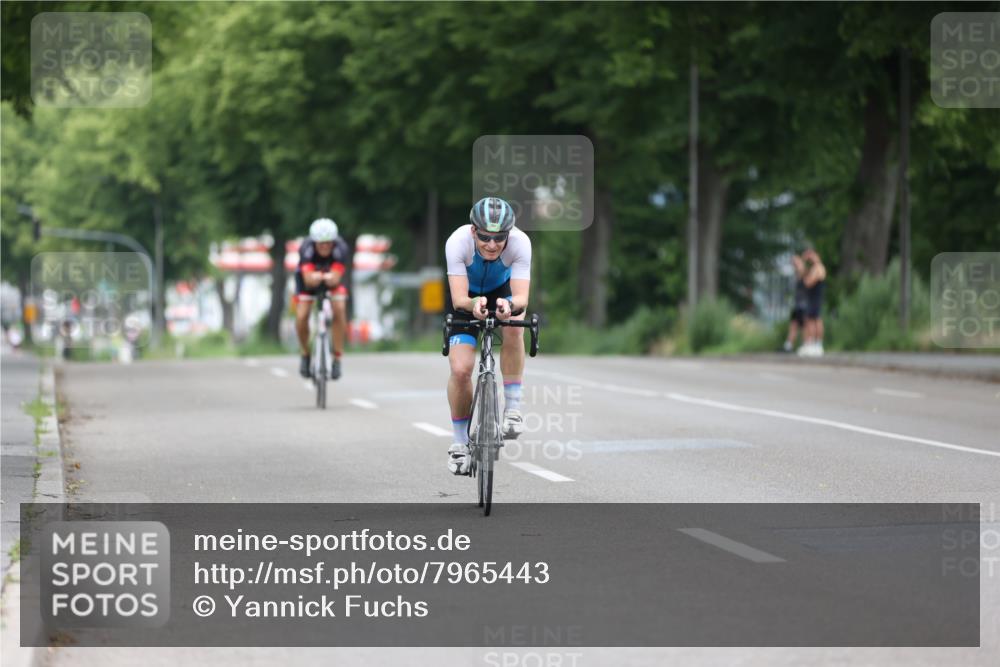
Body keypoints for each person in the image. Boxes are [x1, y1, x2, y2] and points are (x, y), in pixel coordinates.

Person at [444, 196, 532, 475]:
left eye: (499, 238)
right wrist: (473, 305)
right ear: (473, 231)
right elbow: (459, 298)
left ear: (509, 234)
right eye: (484, 237)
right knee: (460, 370)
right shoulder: (457, 242)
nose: (492, 245)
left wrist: (510, 305)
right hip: (467, 299)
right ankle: (459, 443)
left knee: (514, 326)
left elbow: (521, 296)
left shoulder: (520, 243)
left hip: (503, 294)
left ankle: (513, 408)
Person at [294, 218, 350, 379]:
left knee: (339, 308)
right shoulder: (306, 249)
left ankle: (337, 357)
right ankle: (305, 353)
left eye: (328, 243)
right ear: (314, 242)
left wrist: (329, 277)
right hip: (307, 283)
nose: (325, 246)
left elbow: (336, 279)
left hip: (331, 281)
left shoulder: (341, 249)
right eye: (320, 243)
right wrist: (315, 277)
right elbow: (307, 279)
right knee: (302, 315)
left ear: (333, 241)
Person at [797, 248, 826, 357]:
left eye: (810, 256)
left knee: (815, 319)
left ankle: (817, 344)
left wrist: (805, 276)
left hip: (816, 297)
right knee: (810, 320)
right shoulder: (813, 268)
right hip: (811, 297)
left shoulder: (818, 267)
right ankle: (811, 343)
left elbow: (808, 282)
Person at [783, 254, 808, 352]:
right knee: (793, 325)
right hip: (797, 304)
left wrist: (800, 261)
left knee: (804, 326)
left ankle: (806, 344)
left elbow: (802, 271)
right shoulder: (796, 273)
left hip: (803, 305)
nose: (794, 264)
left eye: (795, 262)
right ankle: (788, 345)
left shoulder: (803, 271)